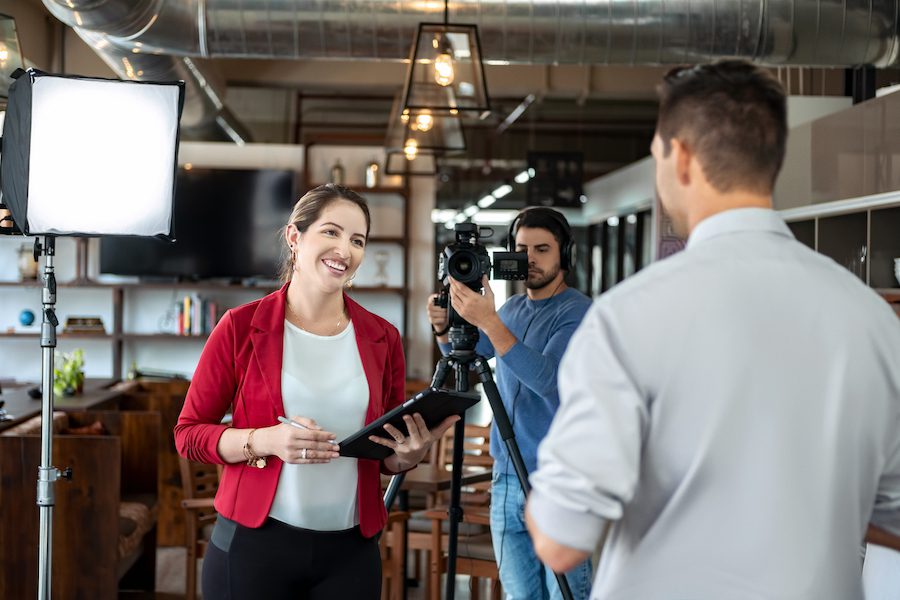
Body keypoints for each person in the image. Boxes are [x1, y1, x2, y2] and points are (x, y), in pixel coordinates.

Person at [526, 60, 900, 599]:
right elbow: (891, 517)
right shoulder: (870, 319)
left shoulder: (628, 318)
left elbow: (561, 540)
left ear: (679, 158)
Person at [175, 183, 457, 600]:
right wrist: (267, 439)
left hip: (350, 552)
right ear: (294, 236)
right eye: (331, 232)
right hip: (254, 545)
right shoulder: (239, 327)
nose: (345, 249)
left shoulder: (383, 338)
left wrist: (407, 456)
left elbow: (385, 451)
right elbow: (188, 434)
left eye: (357, 240)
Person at [427, 207, 594, 600]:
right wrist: (442, 326)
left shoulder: (578, 311)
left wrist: (491, 321)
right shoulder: (513, 310)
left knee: (566, 594)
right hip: (506, 477)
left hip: (559, 480)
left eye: (542, 249)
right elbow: (473, 354)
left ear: (564, 255)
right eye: (522, 249)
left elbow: (548, 380)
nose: (531, 259)